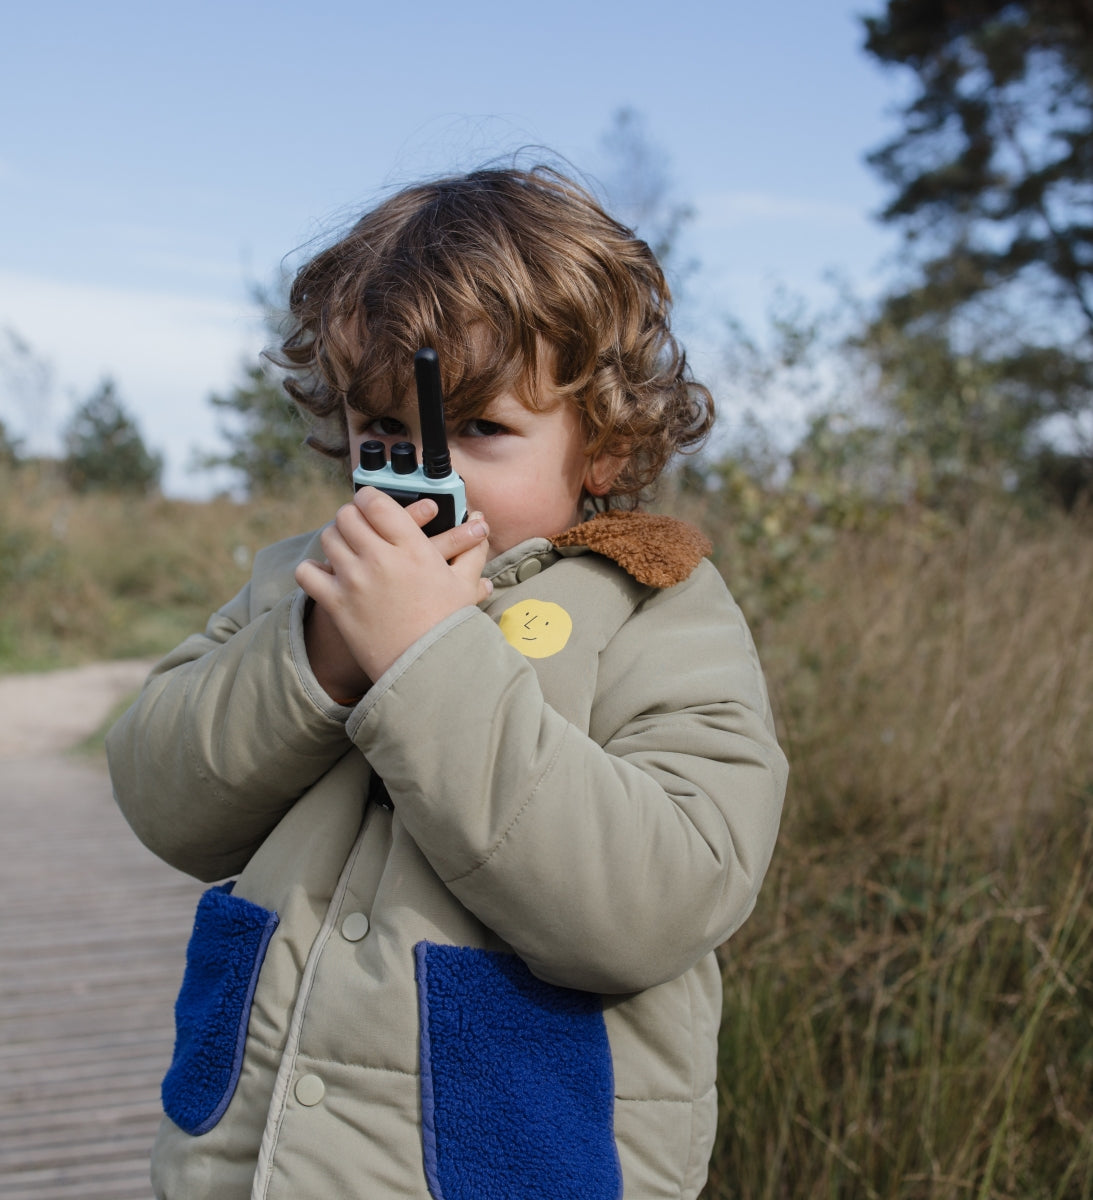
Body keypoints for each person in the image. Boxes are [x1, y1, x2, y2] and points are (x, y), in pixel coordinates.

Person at [107, 164, 788, 1200]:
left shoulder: (657, 603)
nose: (419, 473)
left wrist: (426, 657)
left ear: (602, 446)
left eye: (478, 430)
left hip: (504, 1163)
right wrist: (321, 654)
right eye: (382, 431)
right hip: (252, 1162)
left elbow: (660, 901)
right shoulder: (302, 583)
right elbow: (164, 799)